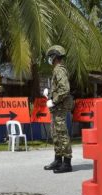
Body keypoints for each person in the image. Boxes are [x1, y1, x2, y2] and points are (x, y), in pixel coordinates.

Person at [43, 45, 73, 173]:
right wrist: (49, 94)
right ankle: (58, 160)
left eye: (50, 57)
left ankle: (67, 163)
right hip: (57, 107)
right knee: (56, 133)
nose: (49, 59)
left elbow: (65, 89)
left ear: (54, 57)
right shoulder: (56, 69)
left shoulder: (59, 70)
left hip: (60, 106)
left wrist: (54, 101)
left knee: (61, 133)